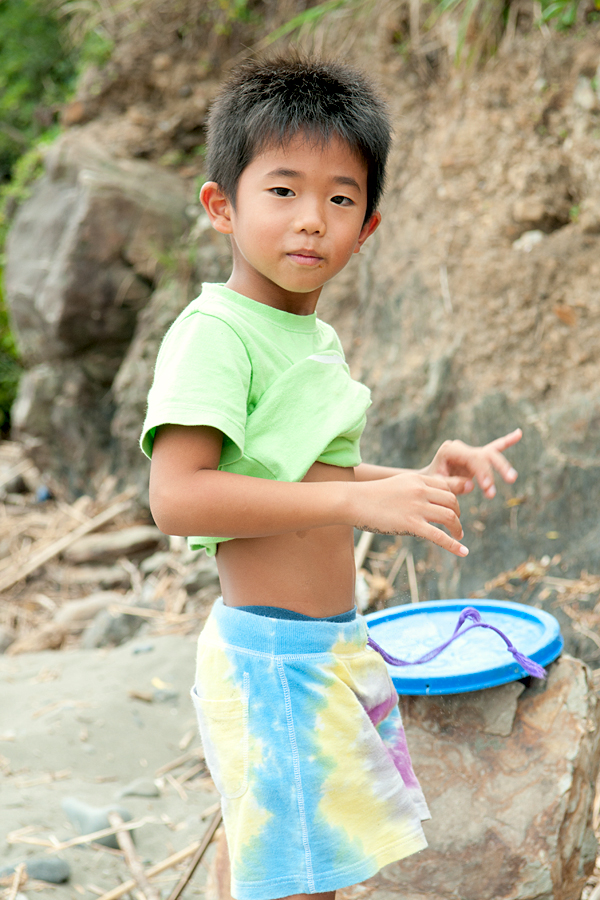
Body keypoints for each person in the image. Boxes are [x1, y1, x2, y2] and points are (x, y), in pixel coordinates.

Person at [141, 56, 522, 900]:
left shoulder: (307, 337)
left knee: (278, 858)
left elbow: (310, 474)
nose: (312, 220)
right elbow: (177, 496)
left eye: (340, 198)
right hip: (273, 655)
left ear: (368, 227)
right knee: (302, 879)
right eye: (282, 191)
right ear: (221, 207)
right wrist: (357, 499)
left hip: (318, 649)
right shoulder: (215, 334)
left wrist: (412, 479)